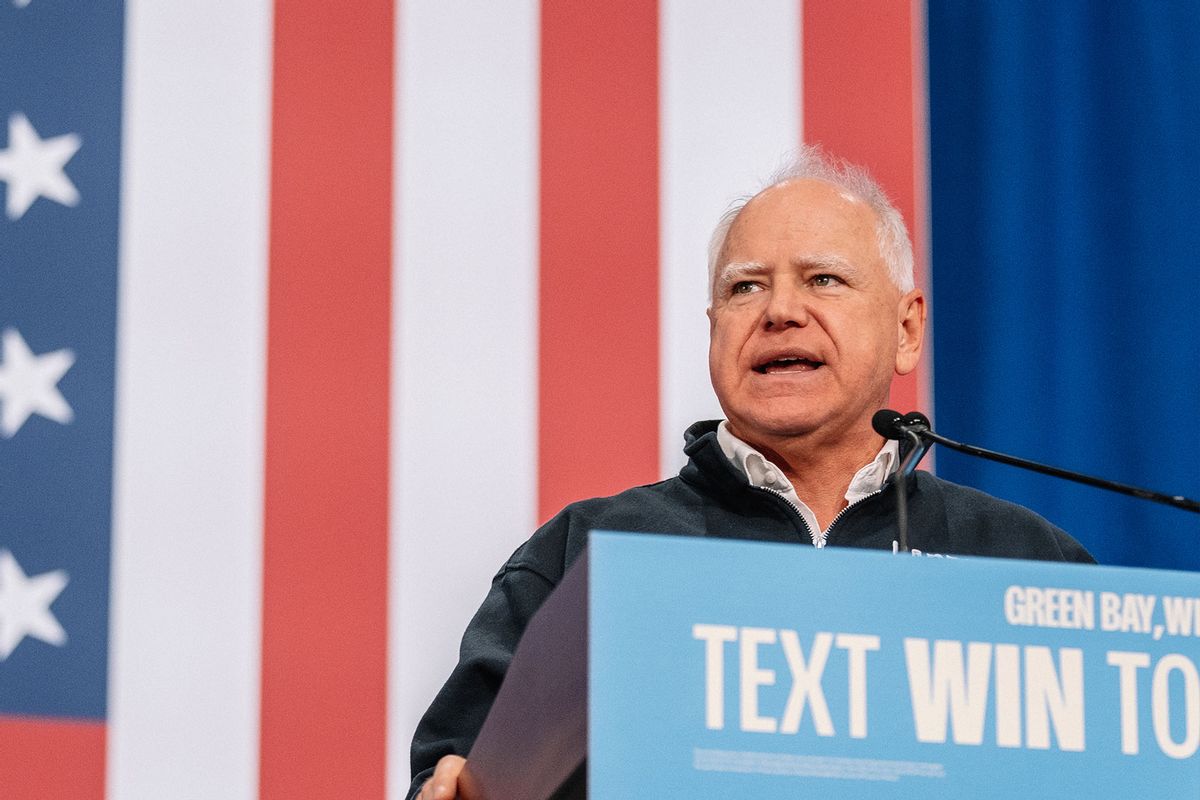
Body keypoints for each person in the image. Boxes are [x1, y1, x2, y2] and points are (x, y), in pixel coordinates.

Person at [408, 147, 1094, 799]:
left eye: (822, 278)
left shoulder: (1027, 565)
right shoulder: (588, 553)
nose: (781, 311)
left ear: (906, 330)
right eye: (746, 287)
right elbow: (460, 769)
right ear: (715, 329)